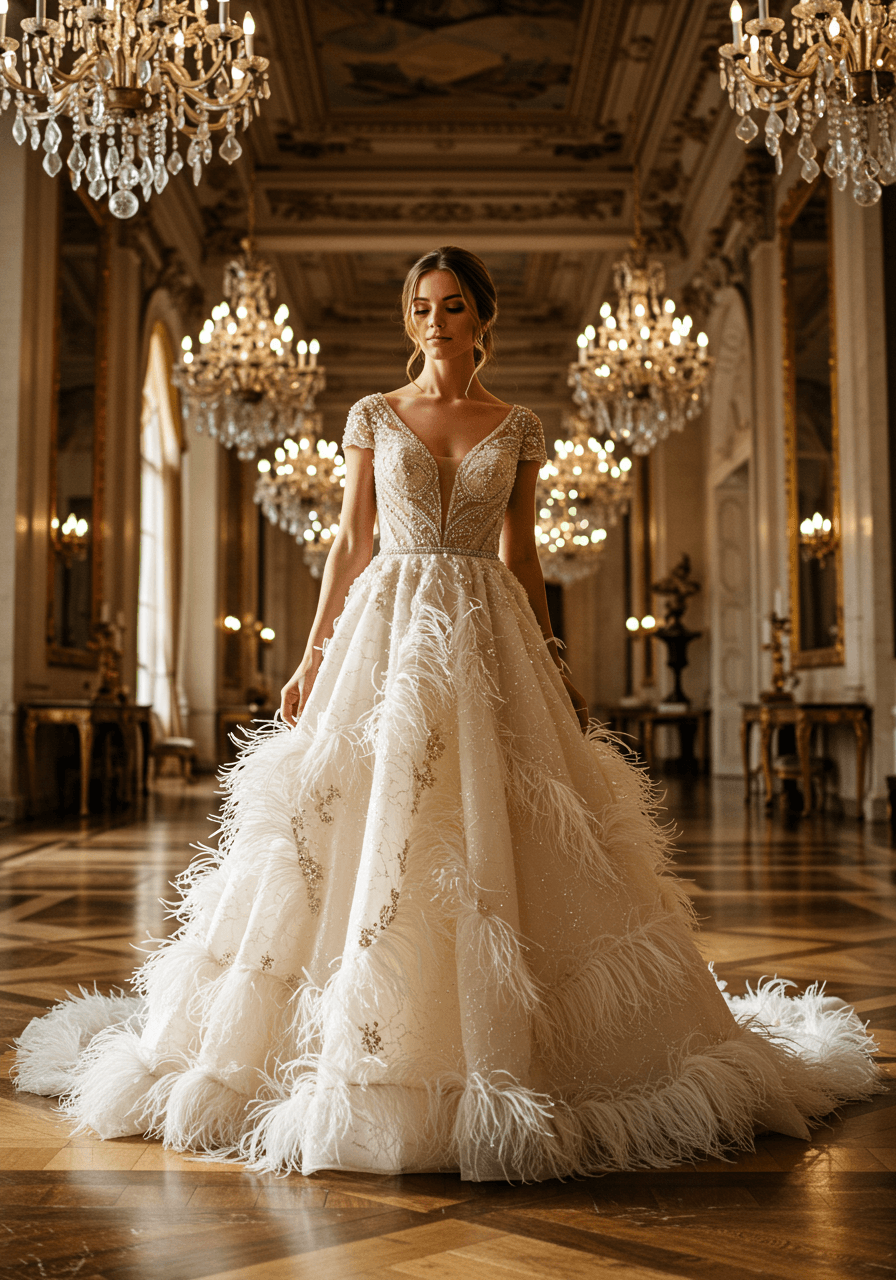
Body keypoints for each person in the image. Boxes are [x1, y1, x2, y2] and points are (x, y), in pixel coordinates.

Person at [16, 246, 880, 1182]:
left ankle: (506, 1033)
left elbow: (523, 555)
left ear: (482, 318)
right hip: (383, 631)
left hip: (488, 633)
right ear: (409, 318)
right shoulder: (371, 416)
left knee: (495, 819)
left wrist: (551, 658)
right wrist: (311, 656)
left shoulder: (518, 424)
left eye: (452, 305)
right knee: (364, 813)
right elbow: (349, 538)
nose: (435, 321)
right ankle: (357, 1031)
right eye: (421, 306)